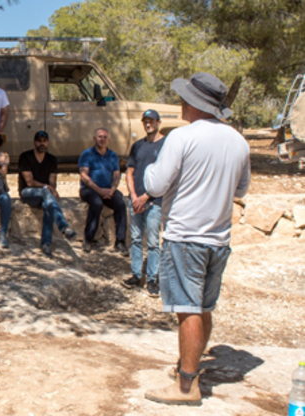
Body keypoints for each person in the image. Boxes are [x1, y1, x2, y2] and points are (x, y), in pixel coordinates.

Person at [143, 73, 250, 406]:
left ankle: (187, 386)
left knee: (186, 309)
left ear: (191, 103)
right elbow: (241, 190)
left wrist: (148, 170)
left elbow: (155, 185)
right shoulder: (239, 142)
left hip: (185, 236)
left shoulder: (181, 137)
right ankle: (188, 367)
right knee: (203, 307)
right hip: (218, 238)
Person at [122, 110, 165, 296]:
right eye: (145, 121)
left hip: (154, 201)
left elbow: (166, 175)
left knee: (154, 242)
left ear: (158, 122)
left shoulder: (165, 145)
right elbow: (130, 171)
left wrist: (146, 196)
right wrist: (133, 195)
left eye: (152, 121)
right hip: (135, 201)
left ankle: (152, 279)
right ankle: (136, 275)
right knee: (136, 239)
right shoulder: (138, 146)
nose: (148, 124)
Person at [18, 130, 77, 256]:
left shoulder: (52, 159)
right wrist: (48, 188)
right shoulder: (25, 156)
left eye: (44, 141)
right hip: (28, 193)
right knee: (46, 193)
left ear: (48, 143)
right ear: (35, 142)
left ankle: (46, 244)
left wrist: (52, 190)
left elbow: (52, 181)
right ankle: (64, 227)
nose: (42, 143)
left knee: (48, 206)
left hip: (45, 195)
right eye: (39, 141)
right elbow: (29, 182)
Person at [78, 127, 128, 255]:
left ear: (109, 140)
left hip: (108, 190)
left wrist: (112, 189)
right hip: (89, 189)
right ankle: (88, 239)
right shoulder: (87, 154)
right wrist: (99, 190)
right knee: (97, 203)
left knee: (121, 204)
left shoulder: (112, 155)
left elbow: (116, 174)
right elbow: (84, 176)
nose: (102, 139)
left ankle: (120, 241)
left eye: (105, 137)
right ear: (94, 138)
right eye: (100, 137)